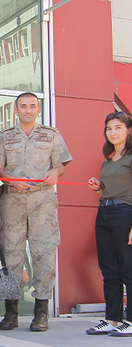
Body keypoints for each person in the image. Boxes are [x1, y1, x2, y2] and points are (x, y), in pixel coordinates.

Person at [0, 92, 72, 332]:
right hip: (12, 201)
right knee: (12, 255)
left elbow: (61, 163)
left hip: (42, 201)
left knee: (44, 254)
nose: (28, 110)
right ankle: (11, 313)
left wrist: (56, 173)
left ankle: (41, 313)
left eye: (32, 106)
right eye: (23, 106)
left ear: (38, 109)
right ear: (16, 110)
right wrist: (10, 180)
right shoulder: (5, 136)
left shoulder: (51, 134)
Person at [85, 112, 132, 336]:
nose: (112, 132)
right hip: (104, 213)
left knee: (128, 268)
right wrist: (98, 189)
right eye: (109, 129)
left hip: (125, 214)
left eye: (118, 128)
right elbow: (109, 192)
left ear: (128, 131)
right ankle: (112, 319)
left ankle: (130, 321)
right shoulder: (107, 161)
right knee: (109, 269)